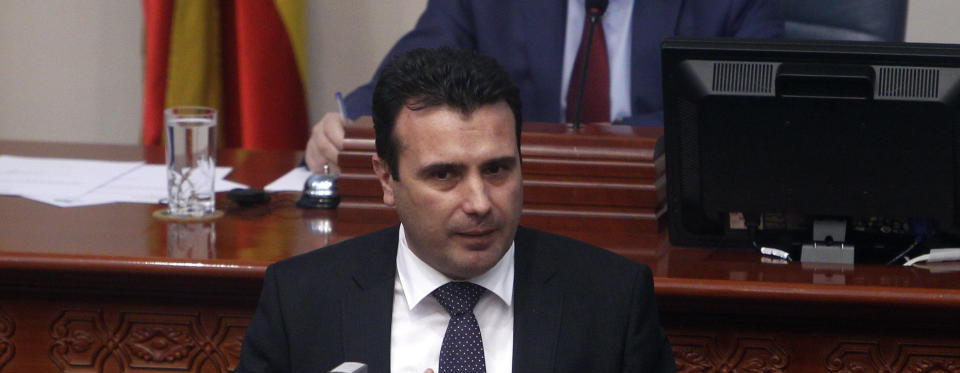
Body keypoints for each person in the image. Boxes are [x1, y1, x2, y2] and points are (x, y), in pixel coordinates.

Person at [189, 45, 705, 373]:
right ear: (386, 179)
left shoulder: (607, 299)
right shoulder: (307, 297)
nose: (480, 201)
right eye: (444, 176)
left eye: (498, 169)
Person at [305, 0, 783, 172]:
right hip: (518, 216)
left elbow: (750, 116)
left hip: (662, 224)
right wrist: (356, 122)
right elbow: (425, 57)